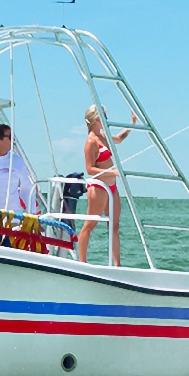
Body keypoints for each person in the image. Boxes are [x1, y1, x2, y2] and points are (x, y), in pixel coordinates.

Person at [77, 104, 137, 266]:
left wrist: (133, 124)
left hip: (112, 188)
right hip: (99, 188)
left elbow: (119, 138)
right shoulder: (90, 142)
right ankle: (82, 262)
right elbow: (90, 169)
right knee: (90, 225)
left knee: (114, 226)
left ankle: (117, 265)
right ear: (97, 119)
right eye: (104, 116)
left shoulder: (104, 136)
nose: (107, 119)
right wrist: (114, 173)